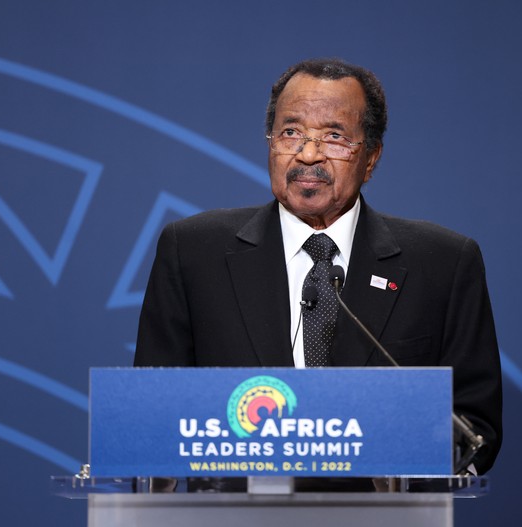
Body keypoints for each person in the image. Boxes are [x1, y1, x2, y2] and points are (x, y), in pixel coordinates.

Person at [135, 58, 502, 474]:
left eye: (334, 136)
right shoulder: (193, 253)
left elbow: (476, 428)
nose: (308, 154)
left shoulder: (442, 264)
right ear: (270, 142)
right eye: (290, 132)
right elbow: (153, 418)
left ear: (371, 157)